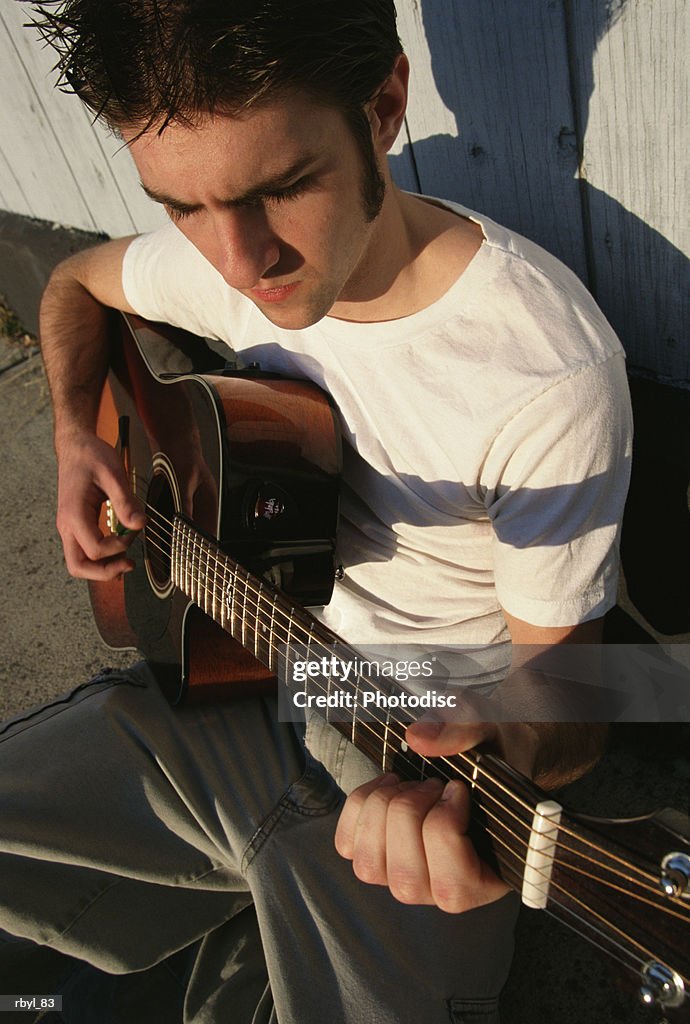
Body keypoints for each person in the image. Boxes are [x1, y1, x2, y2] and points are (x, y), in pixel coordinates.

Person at [2, 1, 631, 1021]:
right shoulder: (225, 259)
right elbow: (74, 286)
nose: (237, 262)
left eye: (282, 188)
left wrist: (500, 762)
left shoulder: (539, 373)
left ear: (383, 105)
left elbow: (567, 716)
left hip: (411, 773)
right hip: (240, 683)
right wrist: (79, 435)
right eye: (183, 207)